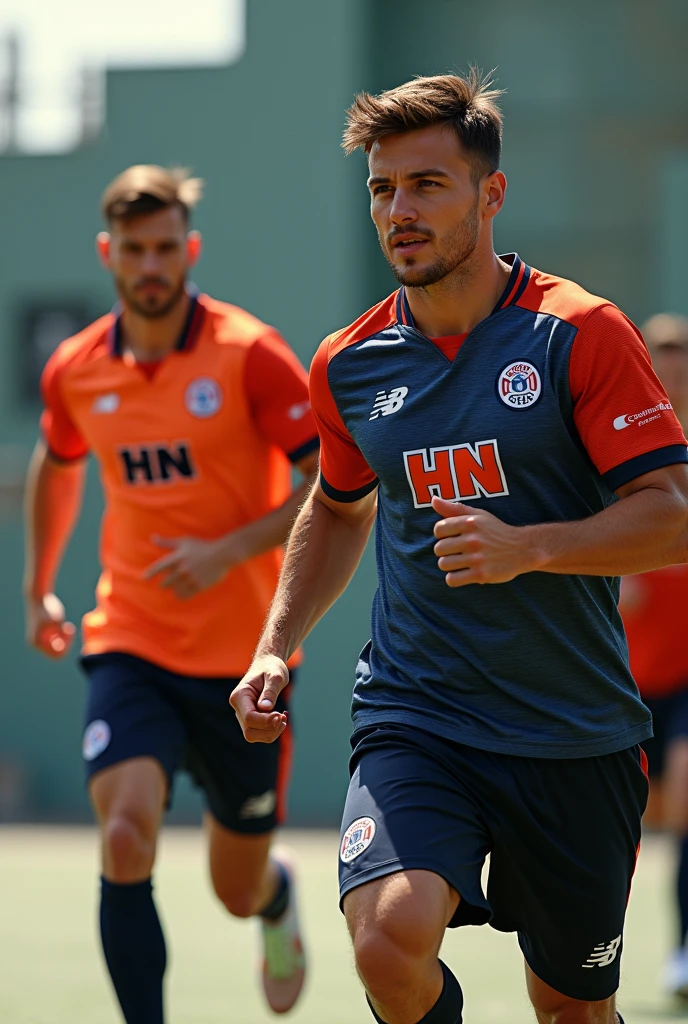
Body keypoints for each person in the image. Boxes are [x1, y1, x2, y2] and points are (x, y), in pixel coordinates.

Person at [230, 72, 688, 1024]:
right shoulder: (347, 362)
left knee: (571, 1010)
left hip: (574, 734)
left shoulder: (580, 333)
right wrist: (277, 640)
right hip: (417, 714)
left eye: (427, 185)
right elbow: (339, 505)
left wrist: (532, 547)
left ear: (492, 193)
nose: (398, 210)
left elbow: (671, 513)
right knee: (387, 945)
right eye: (382, 188)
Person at [23, 165, 318, 1024]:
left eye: (165, 249)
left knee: (235, 887)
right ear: (108, 254)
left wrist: (229, 549)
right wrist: (40, 590)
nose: (151, 265)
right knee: (123, 837)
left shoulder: (248, 353)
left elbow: (327, 487)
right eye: (134, 250)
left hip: (245, 665)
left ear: (188, 250)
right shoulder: (76, 368)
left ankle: (273, 901)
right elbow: (58, 460)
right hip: (132, 640)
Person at [619, 313, 688, 999]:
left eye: (680, 359)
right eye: (658, 359)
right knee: (627, 817)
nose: (670, 370)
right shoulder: (616, 452)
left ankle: (684, 949)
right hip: (627, 678)